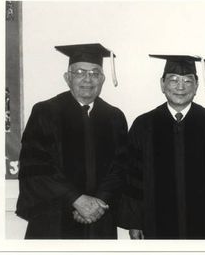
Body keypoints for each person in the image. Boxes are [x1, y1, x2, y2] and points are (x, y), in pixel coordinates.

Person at [16, 43, 128, 239]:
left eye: (95, 73)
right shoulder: (45, 112)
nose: (88, 78)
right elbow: (36, 167)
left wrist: (98, 203)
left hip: (99, 219)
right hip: (54, 218)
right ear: (67, 78)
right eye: (79, 72)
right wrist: (75, 199)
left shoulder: (114, 116)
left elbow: (121, 167)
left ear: (102, 79)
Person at [118, 55, 205, 239]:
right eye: (173, 80)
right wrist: (135, 221)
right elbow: (132, 177)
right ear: (162, 84)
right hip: (155, 223)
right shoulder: (144, 124)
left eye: (188, 81)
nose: (181, 87)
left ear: (196, 85)